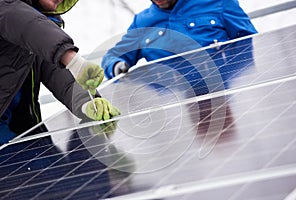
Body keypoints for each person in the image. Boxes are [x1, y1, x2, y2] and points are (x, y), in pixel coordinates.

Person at [0, 0, 119, 144]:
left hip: (23, 127)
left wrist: (88, 102)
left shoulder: (46, 27)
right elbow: (21, 21)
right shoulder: (9, 10)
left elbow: (59, 74)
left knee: (46, 159)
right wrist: (73, 60)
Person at [101, 0, 258, 80]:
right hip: (174, 109)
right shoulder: (142, 23)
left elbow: (253, 43)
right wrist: (115, 65)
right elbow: (113, 56)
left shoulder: (218, 3)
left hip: (225, 88)